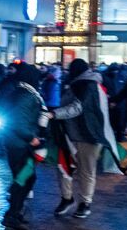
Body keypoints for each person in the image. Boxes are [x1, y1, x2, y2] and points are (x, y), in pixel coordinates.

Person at [46, 59, 108, 219]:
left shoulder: (89, 85)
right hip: (69, 134)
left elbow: (78, 107)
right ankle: (67, 198)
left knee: (86, 171)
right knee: (63, 168)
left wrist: (55, 114)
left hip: (88, 135)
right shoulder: (76, 83)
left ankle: (85, 203)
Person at [0, 63, 47, 230]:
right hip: (20, 144)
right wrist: (31, 137)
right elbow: (18, 121)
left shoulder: (21, 92)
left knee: (24, 178)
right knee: (24, 179)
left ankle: (14, 212)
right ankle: (11, 215)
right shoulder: (26, 95)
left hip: (17, 143)